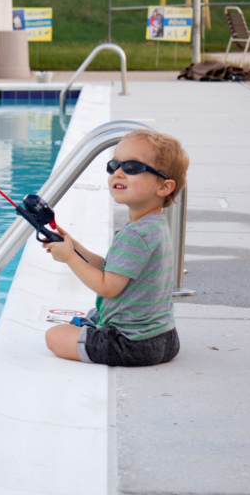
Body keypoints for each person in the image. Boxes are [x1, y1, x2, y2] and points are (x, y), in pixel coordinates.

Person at [43, 128, 189, 367]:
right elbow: (113, 270)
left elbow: (107, 287)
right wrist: (74, 246)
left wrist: (69, 257)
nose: (118, 173)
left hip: (131, 344)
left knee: (55, 336)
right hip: (164, 337)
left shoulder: (134, 234)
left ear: (163, 187)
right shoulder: (154, 225)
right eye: (114, 166)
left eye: (132, 168)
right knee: (91, 314)